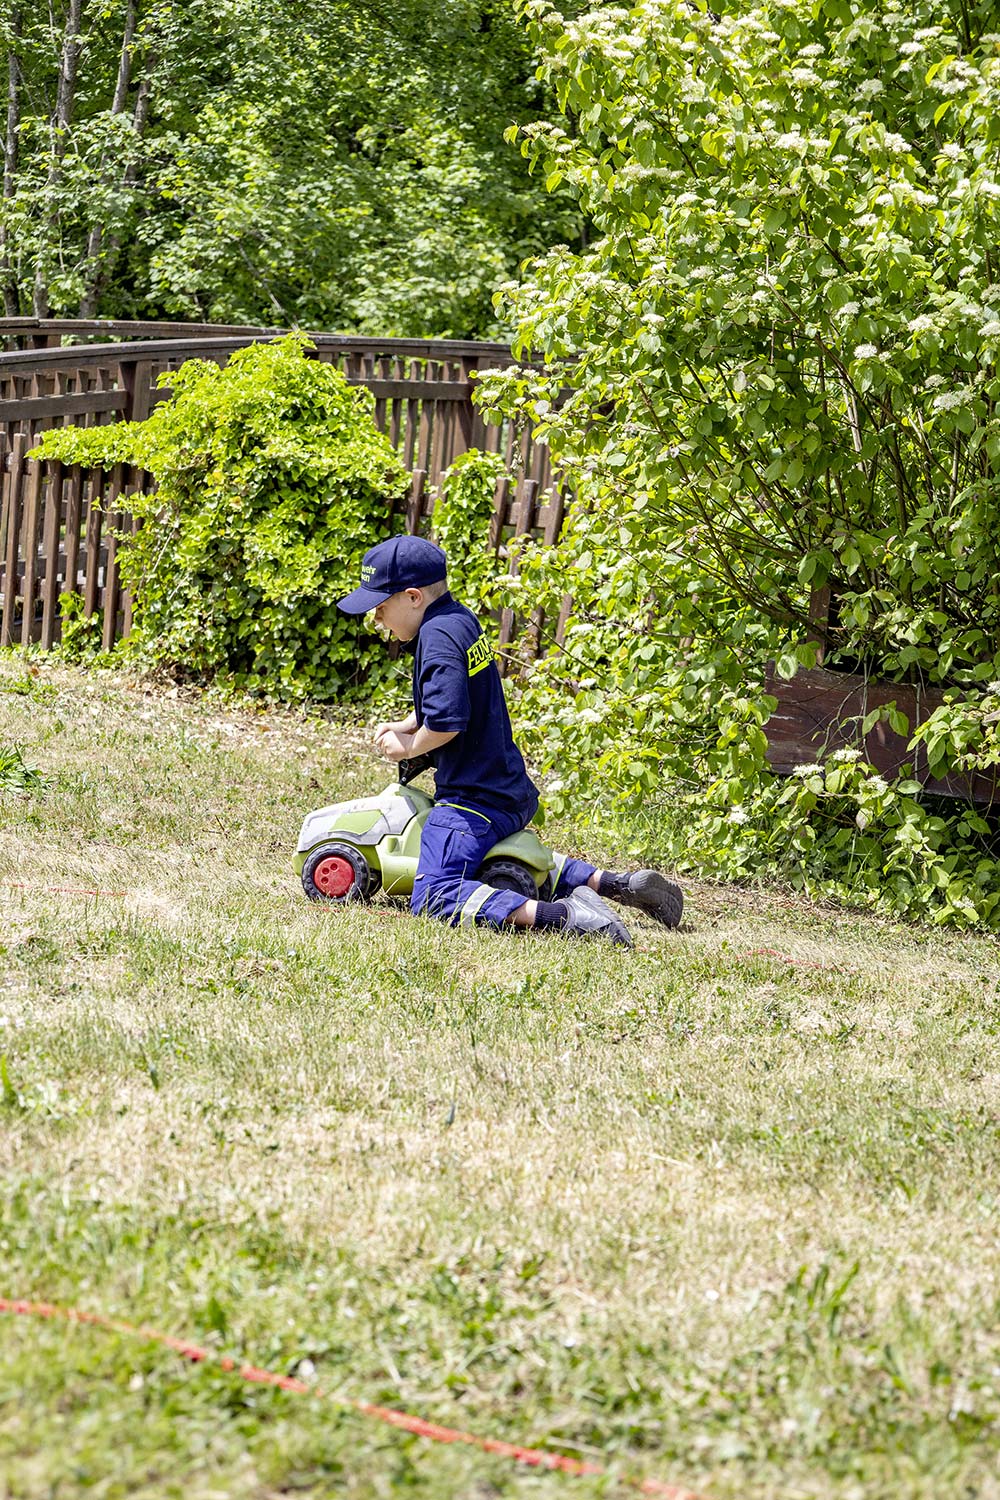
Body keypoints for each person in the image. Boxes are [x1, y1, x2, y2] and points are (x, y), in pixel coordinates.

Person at [337, 534, 683, 946]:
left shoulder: (436, 639)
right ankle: (618, 884)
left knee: (432, 894)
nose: (376, 617)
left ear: (412, 596)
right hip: (507, 789)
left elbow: (447, 721)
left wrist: (408, 748)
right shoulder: (458, 619)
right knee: (495, 858)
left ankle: (568, 914)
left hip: (472, 802)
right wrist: (411, 722)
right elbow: (458, 694)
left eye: (380, 605)